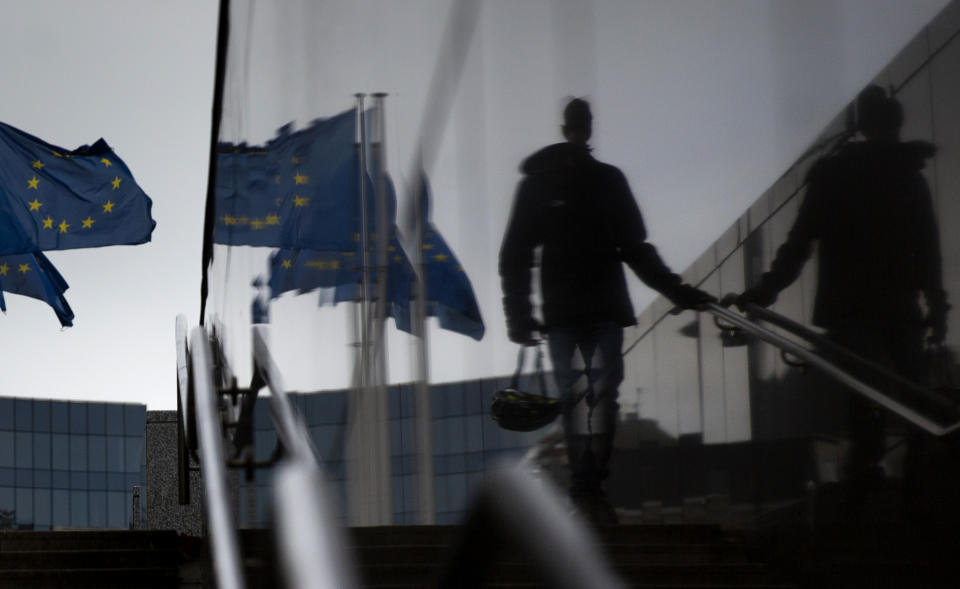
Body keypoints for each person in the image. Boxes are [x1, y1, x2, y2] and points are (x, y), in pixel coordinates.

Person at [726, 85, 948, 510]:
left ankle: (865, 482)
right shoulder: (908, 178)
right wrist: (937, 309)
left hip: (851, 310)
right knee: (917, 398)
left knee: (865, 397)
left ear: (861, 126)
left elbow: (798, 245)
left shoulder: (835, 175)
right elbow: (929, 253)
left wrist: (764, 292)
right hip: (899, 310)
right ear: (895, 125)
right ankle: (915, 488)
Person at [499, 98, 715, 525]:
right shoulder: (557, 183)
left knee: (592, 398)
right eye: (579, 124)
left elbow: (633, 248)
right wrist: (519, 317)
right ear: (575, 129)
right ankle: (587, 487)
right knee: (591, 398)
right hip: (580, 314)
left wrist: (681, 292)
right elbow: (519, 254)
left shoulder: (590, 181)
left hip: (587, 313)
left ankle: (588, 487)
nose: (581, 131)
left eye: (583, 124)